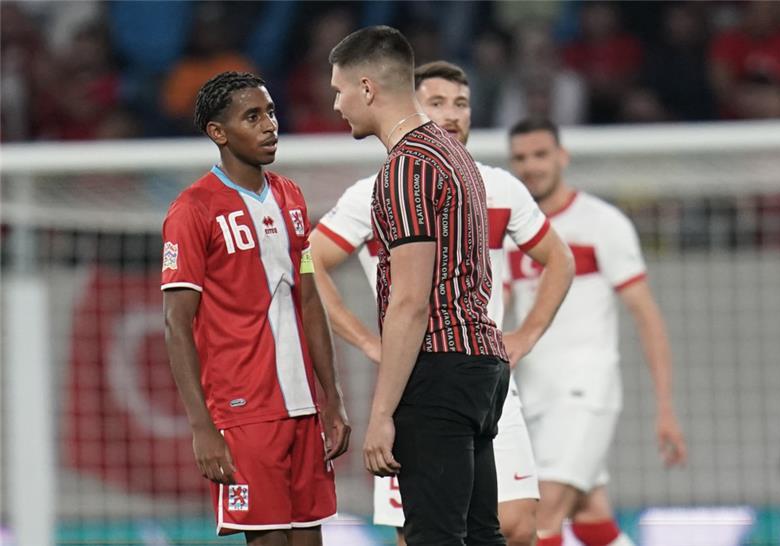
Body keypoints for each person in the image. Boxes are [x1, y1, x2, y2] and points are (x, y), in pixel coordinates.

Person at [311, 60, 574, 546]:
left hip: (468, 365)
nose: (452, 115)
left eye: (462, 103)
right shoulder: (377, 189)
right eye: (438, 103)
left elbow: (559, 259)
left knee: (506, 527)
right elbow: (310, 263)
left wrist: (526, 335)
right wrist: (369, 342)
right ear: (414, 104)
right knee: (437, 531)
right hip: (423, 365)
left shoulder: (491, 183)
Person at [328, 26, 522, 546]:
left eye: (339, 90)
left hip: (438, 367)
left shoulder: (406, 168)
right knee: (482, 536)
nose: (337, 104)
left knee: (434, 537)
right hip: (482, 363)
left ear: (367, 88)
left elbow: (412, 302)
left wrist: (382, 413)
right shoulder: (454, 155)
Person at [161, 71, 351, 545]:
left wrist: (332, 398)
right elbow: (176, 322)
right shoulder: (193, 210)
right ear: (218, 133)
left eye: (270, 112)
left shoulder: (290, 196)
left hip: (303, 405)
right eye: (253, 116)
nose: (269, 125)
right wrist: (203, 427)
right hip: (245, 411)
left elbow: (308, 299)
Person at [505, 118, 688, 546]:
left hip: (585, 393)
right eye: (520, 158)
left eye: (540, 155)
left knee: (538, 520)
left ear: (561, 157)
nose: (531, 166)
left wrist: (665, 406)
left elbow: (647, 315)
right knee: (591, 516)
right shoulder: (514, 229)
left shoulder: (602, 223)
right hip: (531, 394)